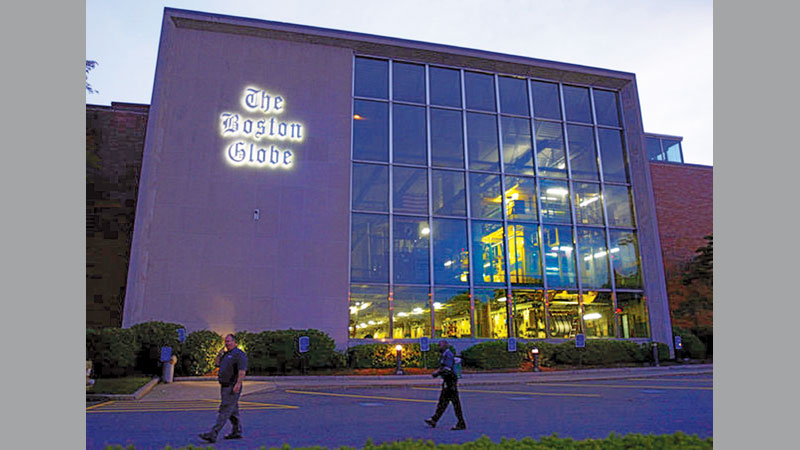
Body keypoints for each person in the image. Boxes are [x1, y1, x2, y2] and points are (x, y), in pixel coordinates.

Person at [199, 333, 248, 443]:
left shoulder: (239, 355)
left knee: (225, 409)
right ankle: (237, 431)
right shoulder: (226, 354)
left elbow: (242, 371)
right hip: (224, 386)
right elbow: (217, 364)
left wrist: (238, 384)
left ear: (235, 342)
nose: (227, 343)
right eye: (226, 341)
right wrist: (219, 354)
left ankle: (213, 433)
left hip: (232, 386)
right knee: (232, 410)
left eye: (229, 341)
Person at [425, 340, 466, 430]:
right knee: (443, 402)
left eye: (440, 345)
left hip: (450, 382)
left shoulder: (448, 355)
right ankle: (434, 419)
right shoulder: (445, 354)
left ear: (445, 346)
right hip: (447, 381)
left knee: (455, 403)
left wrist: (437, 373)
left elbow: (447, 368)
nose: (438, 347)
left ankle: (461, 422)